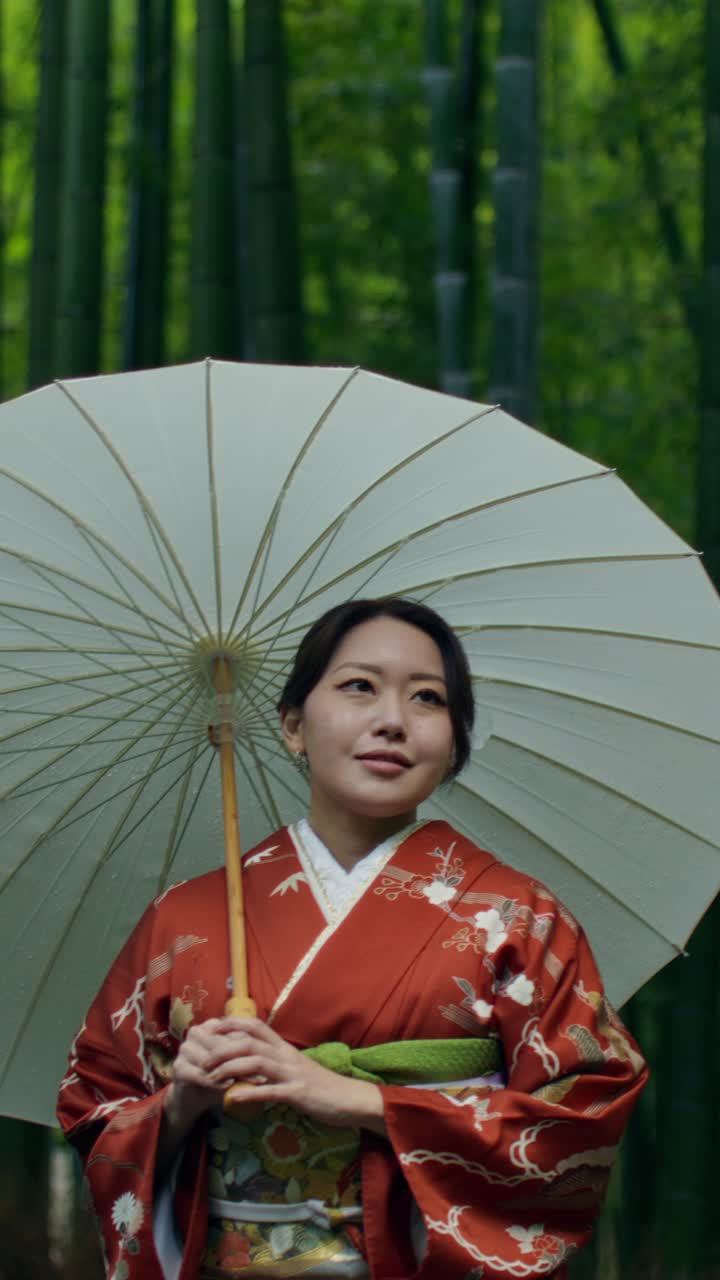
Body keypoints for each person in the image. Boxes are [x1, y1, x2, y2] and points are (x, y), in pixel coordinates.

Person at [57, 597, 647, 1280]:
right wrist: (184, 1099)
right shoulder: (182, 920)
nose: (392, 721)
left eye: (427, 698)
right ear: (292, 726)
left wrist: (363, 1101)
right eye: (358, 686)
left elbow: (583, 1110)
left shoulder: (517, 915)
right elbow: (94, 1108)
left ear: (454, 740)